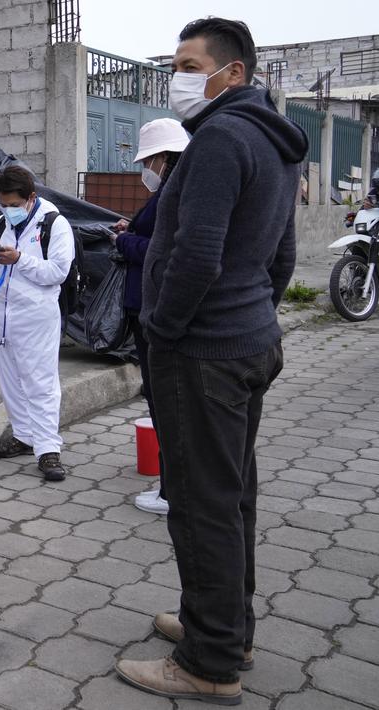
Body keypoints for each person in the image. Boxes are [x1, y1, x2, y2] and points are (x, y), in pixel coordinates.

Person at [114, 17, 305, 705]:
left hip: (201, 352)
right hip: (249, 339)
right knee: (230, 497)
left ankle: (207, 663)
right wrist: (256, 308)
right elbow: (279, 252)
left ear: (233, 73)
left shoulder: (220, 138)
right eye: (175, 63)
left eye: (190, 64)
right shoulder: (272, 140)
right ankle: (225, 628)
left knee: (199, 505)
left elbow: (196, 252)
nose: (178, 77)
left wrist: (163, 329)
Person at [111, 118, 190, 516]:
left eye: (149, 160)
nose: (146, 170)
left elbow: (162, 252)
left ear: (161, 158)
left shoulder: (173, 193)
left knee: (163, 398)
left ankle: (171, 491)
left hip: (152, 305)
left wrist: (124, 240)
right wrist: (133, 230)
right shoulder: (180, 188)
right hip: (158, 306)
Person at [0, 166, 73, 483]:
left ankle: (48, 448)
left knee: (41, 383)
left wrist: (18, 259)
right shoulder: (1, 222)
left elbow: (56, 272)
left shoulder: (54, 225)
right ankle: (23, 434)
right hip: (3, 314)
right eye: (4, 204)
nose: (9, 210)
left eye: (14, 204)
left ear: (32, 198)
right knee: (11, 380)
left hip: (36, 316)